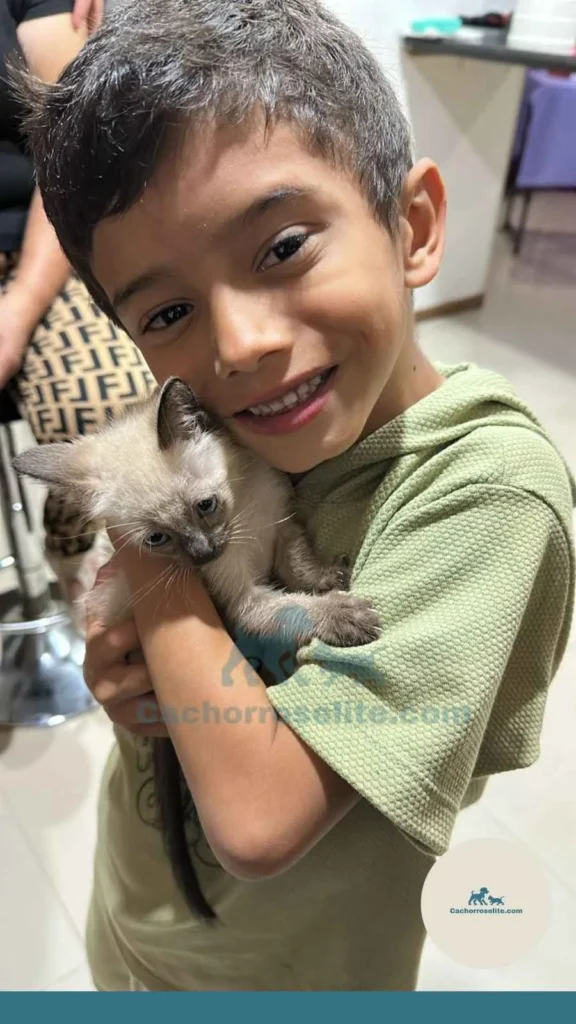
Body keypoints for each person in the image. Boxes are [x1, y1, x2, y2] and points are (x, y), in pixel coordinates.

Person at [21, 0, 575, 992]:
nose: (238, 345)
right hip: (139, 921)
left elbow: (260, 819)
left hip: (297, 974)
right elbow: (172, 686)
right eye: (170, 310)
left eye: (281, 247)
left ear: (412, 226)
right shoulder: (207, 421)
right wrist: (129, 693)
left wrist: (144, 533)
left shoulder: (489, 493)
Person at [0, 0, 154, 605]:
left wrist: (16, 313)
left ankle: (68, 551)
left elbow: (68, 137)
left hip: (39, 238)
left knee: (112, 405)